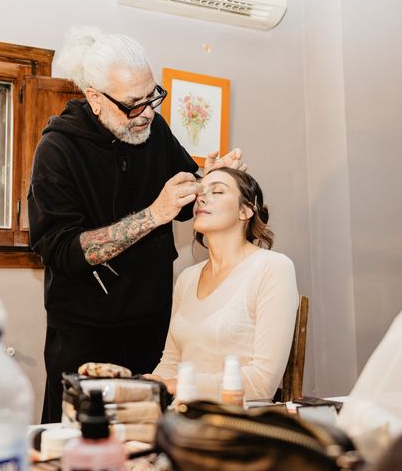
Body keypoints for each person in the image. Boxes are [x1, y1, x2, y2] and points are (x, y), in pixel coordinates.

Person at [27, 27, 244, 422]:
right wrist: (152, 215)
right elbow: (62, 252)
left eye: (153, 97)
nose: (147, 112)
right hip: (84, 336)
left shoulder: (153, 129)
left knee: (152, 439)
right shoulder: (57, 150)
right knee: (81, 444)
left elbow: (181, 196)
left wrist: (206, 179)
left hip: (153, 328)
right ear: (94, 97)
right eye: (132, 104)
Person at [146, 167, 299, 401]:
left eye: (217, 191)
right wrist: (145, 392)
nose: (202, 197)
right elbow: (170, 363)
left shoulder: (272, 268)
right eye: (200, 192)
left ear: (245, 211)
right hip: (180, 419)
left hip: (236, 422)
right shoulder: (187, 278)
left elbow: (262, 382)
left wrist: (176, 385)